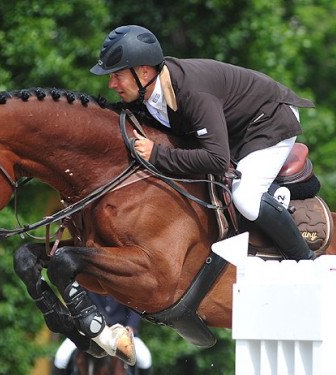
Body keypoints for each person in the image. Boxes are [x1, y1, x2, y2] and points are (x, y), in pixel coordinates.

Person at [90, 25, 315, 261]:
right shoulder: (149, 91)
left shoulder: (191, 92)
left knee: (246, 198)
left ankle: (305, 260)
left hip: (270, 119)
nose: (112, 85)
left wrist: (157, 154)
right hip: (236, 124)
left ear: (144, 73)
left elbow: (216, 160)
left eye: (117, 76)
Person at [52, 291, 152, 375]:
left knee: (145, 357)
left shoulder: (123, 283)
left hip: (120, 333)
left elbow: (135, 309)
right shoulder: (87, 282)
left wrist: (131, 327)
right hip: (90, 334)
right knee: (60, 357)